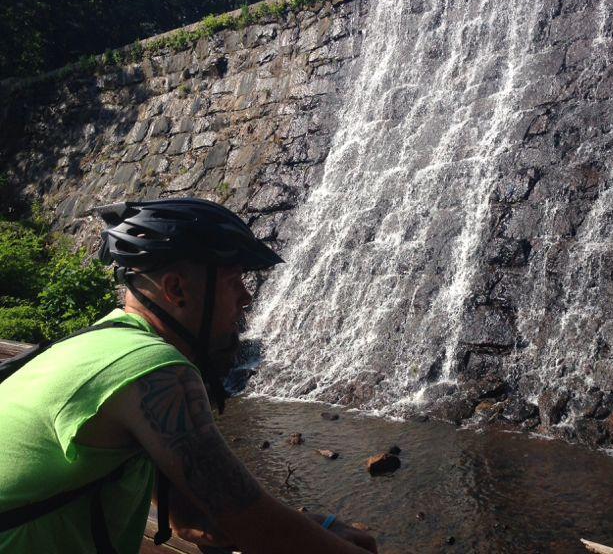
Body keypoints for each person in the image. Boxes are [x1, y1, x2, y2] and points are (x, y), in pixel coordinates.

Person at [0, 198, 377, 554]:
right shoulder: (152, 368)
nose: (246, 298)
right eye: (234, 282)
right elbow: (250, 522)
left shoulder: (101, 340)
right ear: (176, 289)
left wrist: (317, 524)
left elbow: (193, 519)